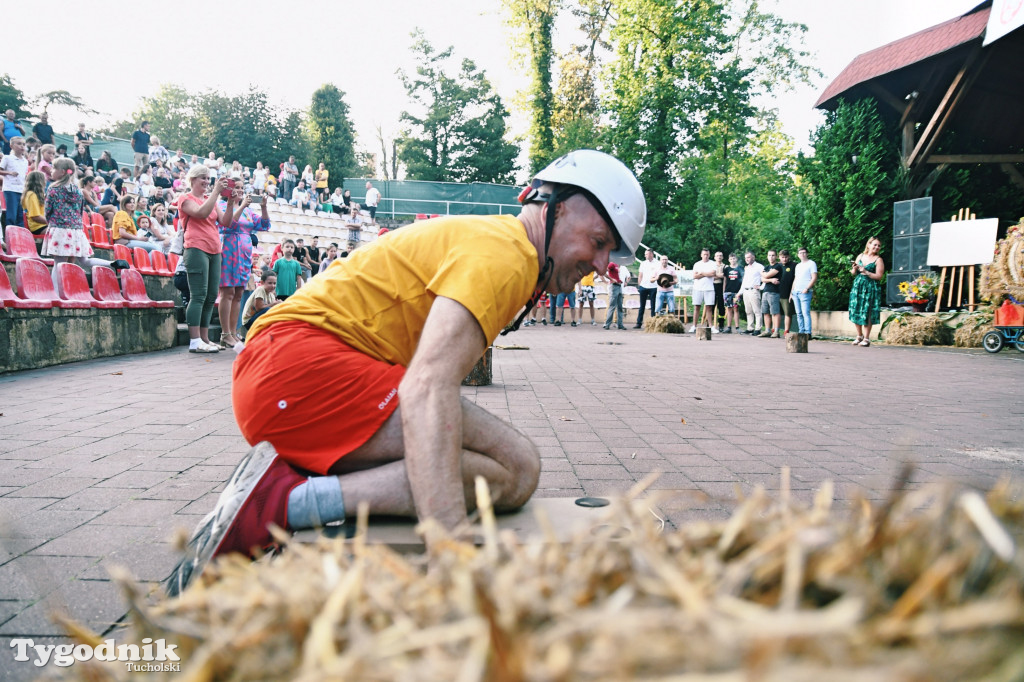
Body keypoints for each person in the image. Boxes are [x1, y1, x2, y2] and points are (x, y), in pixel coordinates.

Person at [166, 149, 646, 596]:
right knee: (513, 469)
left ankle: (292, 488)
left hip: (287, 367)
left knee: (514, 467)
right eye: (599, 242)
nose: (603, 266)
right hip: (296, 370)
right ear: (555, 207)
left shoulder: (502, 243)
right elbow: (426, 387)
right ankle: (279, 502)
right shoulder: (509, 256)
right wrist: (452, 556)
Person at [179, 164, 235, 353]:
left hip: (214, 250)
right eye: (202, 177)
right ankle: (194, 341)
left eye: (208, 178)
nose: (206, 181)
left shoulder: (210, 200)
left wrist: (228, 203)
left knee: (211, 296)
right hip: (195, 248)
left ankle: (204, 338)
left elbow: (226, 222)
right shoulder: (185, 198)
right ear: (193, 179)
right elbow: (201, 213)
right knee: (199, 295)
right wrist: (217, 193)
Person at [218, 193, 271, 349]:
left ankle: (233, 332)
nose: (239, 191)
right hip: (228, 249)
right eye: (236, 188)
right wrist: (241, 206)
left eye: (242, 188)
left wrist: (263, 207)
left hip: (244, 254)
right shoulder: (222, 206)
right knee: (227, 292)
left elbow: (264, 224)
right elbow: (229, 224)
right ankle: (225, 333)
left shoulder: (248, 211)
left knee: (239, 293)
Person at [41, 158, 94, 265]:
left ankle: (55, 283)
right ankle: (110, 264)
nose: (51, 170)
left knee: (59, 264)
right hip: (76, 230)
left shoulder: (53, 189)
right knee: (80, 262)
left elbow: (47, 211)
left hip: (59, 229)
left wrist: (51, 222)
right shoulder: (78, 191)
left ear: (62, 171)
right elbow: (80, 212)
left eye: (54, 168)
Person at [849, 236, 885, 347]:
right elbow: (853, 273)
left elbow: (879, 276)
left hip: (870, 287)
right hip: (858, 285)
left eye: (879, 246)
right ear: (868, 245)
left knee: (867, 311)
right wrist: (854, 269)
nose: (877, 247)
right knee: (855, 309)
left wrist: (866, 271)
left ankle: (866, 338)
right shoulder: (860, 256)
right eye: (875, 244)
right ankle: (859, 335)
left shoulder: (878, 260)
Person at [0, 136, 29, 227]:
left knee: (20, 214)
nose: (22, 146)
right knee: (11, 214)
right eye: (19, 144)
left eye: (23, 144)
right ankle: (10, 233)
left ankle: (19, 235)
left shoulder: (25, 161)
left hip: (21, 189)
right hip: (10, 188)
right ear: (11, 146)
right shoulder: (7, 158)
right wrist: (9, 172)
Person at [791, 247, 817, 337]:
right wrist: (792, 292)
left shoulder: (811, 263)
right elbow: (795, 279)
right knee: (799, 313)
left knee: (805, 312)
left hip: (805, 292)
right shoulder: (798, 266)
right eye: (800, 253)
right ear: (798, 255)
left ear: (807, 253)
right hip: (796, 292)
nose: (802, 254)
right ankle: (801, 331)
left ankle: (807, 332)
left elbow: (814, 277)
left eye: (804, 252)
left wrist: (807, 288)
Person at [692, 248, 718, 332]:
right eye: (704, 254)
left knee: (709, 307)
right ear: (701, 255)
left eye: (707, 254)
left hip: (709, 288)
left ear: (709, 255)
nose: (706, 256)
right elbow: (695, 276)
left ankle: (711, 326)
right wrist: (706, 274)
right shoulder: (697, 264)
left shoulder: (713, 263)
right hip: (697, 288)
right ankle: (694, 326)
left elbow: (713, 274)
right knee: (697, 307)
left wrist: (702, 273)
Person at [758, 250, 781, 338]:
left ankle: (776, 331)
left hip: (774, 292)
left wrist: (764, 275)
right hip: (765, 291)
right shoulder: (767, 267)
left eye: (773, 255)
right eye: (769, 255)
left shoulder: (778, 266)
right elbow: (762, 279)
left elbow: (765, 276)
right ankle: (767, 330)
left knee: (775, 312)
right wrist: (771, 280)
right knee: (765, 312)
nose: (771, 257)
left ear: (776, 256)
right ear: (767, 257)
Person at [634, 248, 658, 328]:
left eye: (646, 254)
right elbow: (640, 275)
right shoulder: (643, 263)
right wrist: (639, 285)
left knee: (653, 306)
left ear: (651, 254)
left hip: (654, 287)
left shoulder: (658, 263)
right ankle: (639, 323)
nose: (645, 255)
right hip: (643, 286)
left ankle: (653, 323)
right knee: (642, 306)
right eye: (645, 254)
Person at [740, 251, 764, 334]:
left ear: (753, 257)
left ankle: (758, 329)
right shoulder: (747, 268)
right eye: (746, 258)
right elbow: (744, 281)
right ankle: (750, 328)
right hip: (746, 291)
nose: (747, 259)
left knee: (757, 311)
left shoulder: (759, 266)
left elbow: (764, 277)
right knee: (748, 311)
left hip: (754, 291)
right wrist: (740, 292)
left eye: (749, 257)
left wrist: (761, 287)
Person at [776, 249, 797, 336]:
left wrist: (792, 292)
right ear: (779, 257)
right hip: (776, 293)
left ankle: (786, 331)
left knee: (788, 313)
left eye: (786, 257)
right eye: (782, 257)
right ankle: (775, 330)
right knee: (776, 313)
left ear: (789, 257)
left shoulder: (794, 265)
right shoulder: (777, 266)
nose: (784, 259)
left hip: (787, 293)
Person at [21, 171, 48, 235]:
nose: (45, 182)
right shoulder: (31, 195)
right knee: (62, 231)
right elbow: (35, 216)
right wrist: (53, 222)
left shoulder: (34, 194)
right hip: (38, 227)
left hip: (43, 225)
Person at [722, 253, 743, 333]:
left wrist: (741, 291)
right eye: (731, 259)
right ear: (728, 260)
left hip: (737, 292)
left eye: (734, 258)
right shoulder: (727, 269)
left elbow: (743, 281)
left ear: (736, 259)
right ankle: (729, 327)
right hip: (728, 291)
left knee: (736, 309)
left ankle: (737, 327)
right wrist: (724, 291)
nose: (732, 260)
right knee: (729, 309)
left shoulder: (740, 268)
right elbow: (725, 280)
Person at [603, 261, 627, 329]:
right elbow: (604, 272)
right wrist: (611, 279)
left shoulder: (616, 264)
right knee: (612, 306)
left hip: (618, 286)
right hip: (614, 286)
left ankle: (620, 324)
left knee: (619, 307)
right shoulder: (612, 264)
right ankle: (607, 324)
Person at [712, 251, 726, 331]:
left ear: (723, 257)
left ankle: (721, 324)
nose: (719, 257)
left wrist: (715, 276)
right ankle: (709, 323)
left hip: (721, 286)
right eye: (717, 256)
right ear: (714, 257)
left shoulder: (725, 266)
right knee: (711, 305)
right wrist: (719, 276)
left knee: (721, 307)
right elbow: (710, 276)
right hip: (712, 286)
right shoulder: (711, 265)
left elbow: (724, 277)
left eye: (720, 256)